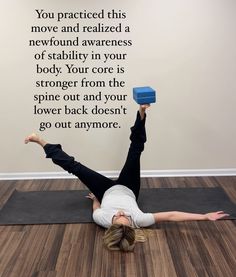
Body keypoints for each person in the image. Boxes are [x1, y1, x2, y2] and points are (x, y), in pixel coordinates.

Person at [25, 104, 229, 252]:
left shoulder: (102, 219)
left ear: (111, 224)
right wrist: (204, 216)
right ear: (131, 224)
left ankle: (40, 141)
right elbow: (172, 216)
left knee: (74, 167)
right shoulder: (139, 220)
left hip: (105, 191)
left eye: (117, 216)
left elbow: (96, 209)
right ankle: (141, 112)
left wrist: (96, 199)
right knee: (135, 151)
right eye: (125, 216)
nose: (121, 212)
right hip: (130, 188)